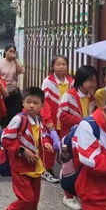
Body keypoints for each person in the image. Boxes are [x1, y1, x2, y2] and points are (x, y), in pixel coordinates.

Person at [0, 87, 49, 210]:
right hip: (21, 166)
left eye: (36, 103)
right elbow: (6, 139)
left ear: (42, 105)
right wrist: (22, 150)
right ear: (23, 103)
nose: (31, 106)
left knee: (34, 200)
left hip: (35, 165)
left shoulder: (38, 120)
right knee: (27, 199)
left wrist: (46, 144)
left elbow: (40, 138)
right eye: (28, 102)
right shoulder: (19, 119)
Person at [58, 64, 97, 210]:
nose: (93, 84)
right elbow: (61, 115)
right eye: (90, 80)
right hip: (69, 136)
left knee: (81, 164)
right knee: (69, 165)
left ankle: (78, 192)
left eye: (94, 80)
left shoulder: (92, 97)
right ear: (82, 80)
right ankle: (67, 196)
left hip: (85, 136)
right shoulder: (69, 95)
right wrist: (80, 121)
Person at [40, 55, 73, 183]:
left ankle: (67, 171)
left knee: (65, 145)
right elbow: (44, 102)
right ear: (52, 66)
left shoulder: (71, 82)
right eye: (58, 64)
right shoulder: (48, 81)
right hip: (51, 119)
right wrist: (47, 119)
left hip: (65, 120)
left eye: (63, 64)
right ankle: (47, 170)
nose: (61, 66)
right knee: (50, 146)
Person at [0, 44, 25, 126]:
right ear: (5, 52)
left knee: (16, 114)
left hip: (14, 92)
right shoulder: (0, 62)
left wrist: (15, 61)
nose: (12, 53)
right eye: (10, 51)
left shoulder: (15, 62)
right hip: (3, 92)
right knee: (5, 116)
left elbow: (22, 71)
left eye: (13, 51)